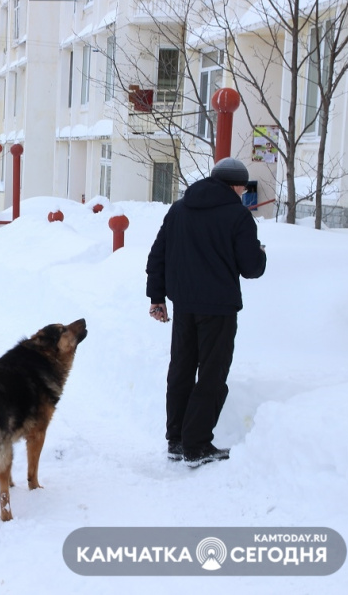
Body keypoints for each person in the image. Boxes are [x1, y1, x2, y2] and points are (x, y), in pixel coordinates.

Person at [146, 157, 267, 467]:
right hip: (219, 309)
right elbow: (251, 268)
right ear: (237, 185)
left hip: (184, 306)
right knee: (212, 374)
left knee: (182, 369)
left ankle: (177, 439)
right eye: (243, 186)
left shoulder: (179, 209)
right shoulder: (238, 216)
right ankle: (197, 445)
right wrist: (260, 253)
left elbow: (157, 254)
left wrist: (157, 297)